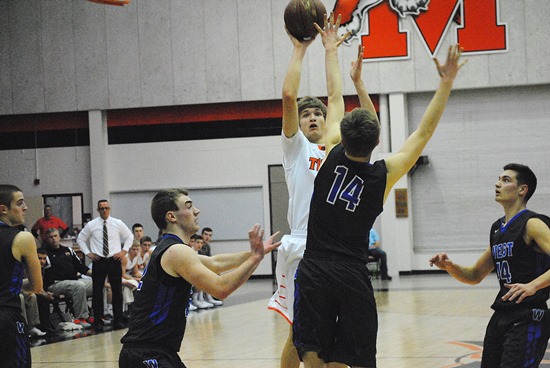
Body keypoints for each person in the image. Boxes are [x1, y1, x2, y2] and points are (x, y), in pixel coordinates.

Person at [292, 14, 466, 367]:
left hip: (314, 268)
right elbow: (422, 134)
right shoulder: (382, 175)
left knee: (311, 351)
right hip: (351, 272)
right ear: (378, 141)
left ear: (340, 132)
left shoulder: (329, 152)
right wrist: (445, 83)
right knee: (350, 355)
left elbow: (332, 94)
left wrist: (330, 49)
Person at [268, 16, 377, 368]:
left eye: (318, 113)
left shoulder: (335, 148)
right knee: (297, 336)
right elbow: (288, 95)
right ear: (298, 125)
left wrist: (330, 50)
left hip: (332, 253)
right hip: (302, 246)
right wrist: (300, 50)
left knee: (327, 343)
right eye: (307, 114)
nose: (314, 117)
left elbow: (335, 96)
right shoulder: (295, 149)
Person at [119, 188, 280, 367]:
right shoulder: (177, 252)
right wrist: (255, 259)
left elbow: (215, 263)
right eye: (189, 206)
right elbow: (221, 288)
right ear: (171, 216)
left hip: (155, 351)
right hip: (147, 354)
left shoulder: (171, 248)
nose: (197, 210)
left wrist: (254, 252)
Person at [429, 163, 550, 368]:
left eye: (506, 180)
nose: (497, 183)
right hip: (501, 315)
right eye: (498, 179)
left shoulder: (533, 224)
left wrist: (533, 286)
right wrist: (450, 266)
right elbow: (475, 274)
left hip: (528, 315)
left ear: (522, 190)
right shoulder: (498, 229)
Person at [0, 185, 43, 367]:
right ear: (3, 209)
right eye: (19, 203)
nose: (25, 207)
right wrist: (16, 286)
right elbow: (36, 286)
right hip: (7, 317)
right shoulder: (23, 238)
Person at [77, 199, 133, 330]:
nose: (104, 210)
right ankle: (98, 321)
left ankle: (118, 319)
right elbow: (80, 239)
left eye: (106, 208)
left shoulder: (117, 223)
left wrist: (124, 251)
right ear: (98, 210)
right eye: (101, 208)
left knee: (117, 290)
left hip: (114, 259)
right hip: (99, 260)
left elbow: (129, 236)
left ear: (110, 209)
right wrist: (87, 253)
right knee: (97, 291)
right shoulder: (92, 225)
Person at [44, 227, 93, 328]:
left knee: (98, 283)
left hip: (73, 281)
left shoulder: (68, 250)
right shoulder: (45, 254)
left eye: (55, 236)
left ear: (59, 237)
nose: (53, 239)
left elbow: (81, 267)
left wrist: (96, 275)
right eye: (50, 237)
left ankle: (97, 314)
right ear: (47, 239)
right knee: (78, 286)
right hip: (55, 284)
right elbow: (42, 274)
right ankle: (81, 318)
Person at [197, 227, 223, 307]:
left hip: (204, 266)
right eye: (206, 234)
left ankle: (212, 295)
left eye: (210, 235)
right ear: (201, 235)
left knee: (216, 272)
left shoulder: (207, 246)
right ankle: (201, 298)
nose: (207, 237)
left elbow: (210, 260)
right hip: (197, 267)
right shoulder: (197, 244)